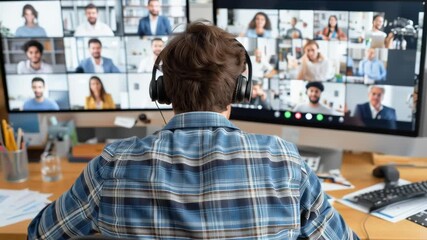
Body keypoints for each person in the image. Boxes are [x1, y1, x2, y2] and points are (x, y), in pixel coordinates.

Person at [27, 21, 358, 239]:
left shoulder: (111, 166)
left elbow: (40, 234)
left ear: (163, 91)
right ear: (239, 90)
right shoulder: (284, 162)